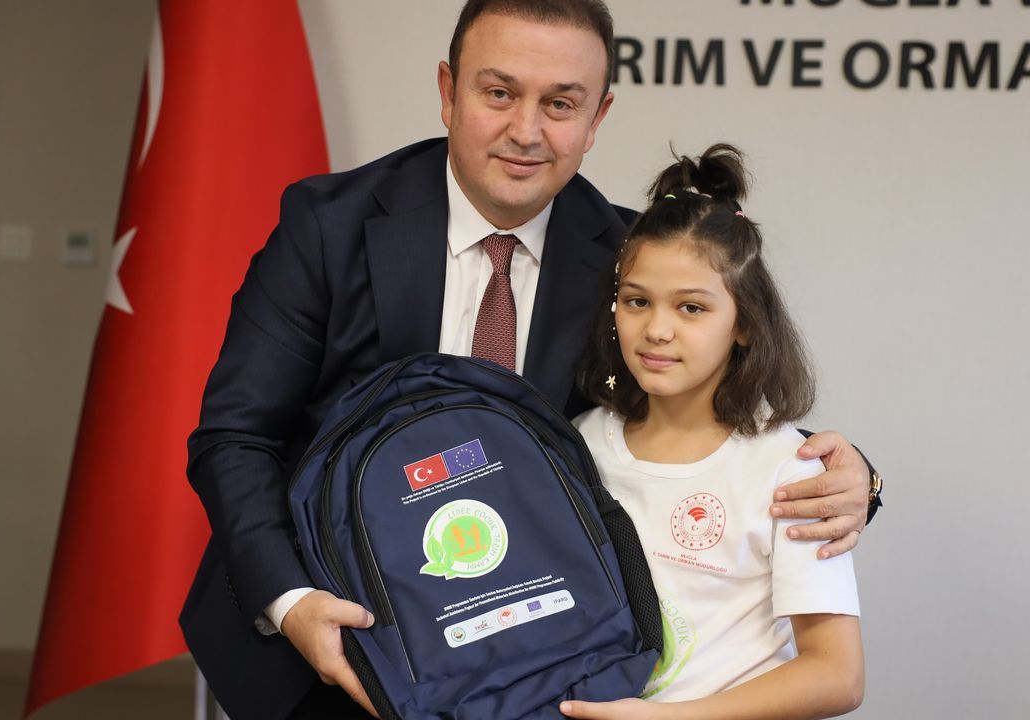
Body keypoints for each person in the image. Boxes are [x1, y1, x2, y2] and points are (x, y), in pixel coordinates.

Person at [180, 2, 877, 718]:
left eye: (560, 104)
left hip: (534, 673)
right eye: (499, 92)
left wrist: (849, 476)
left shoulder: (631, 262)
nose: (526, 130)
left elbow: (698, 420)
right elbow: (235, 435)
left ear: (597, 118)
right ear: (449, 91)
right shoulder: (329, 224)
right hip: (332, 639)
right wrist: (294, 602)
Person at [559, 145, 864, 720]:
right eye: (636, 301)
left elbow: (838, 674)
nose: (657, 329)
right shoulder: (580, 446)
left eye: (692, 308)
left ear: (744, 322)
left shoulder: (786, 468)